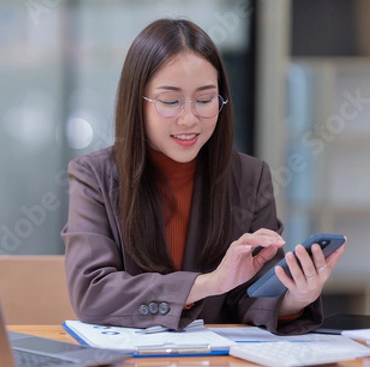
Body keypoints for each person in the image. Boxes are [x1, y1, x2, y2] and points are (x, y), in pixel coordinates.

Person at [61, 18, 346, 334]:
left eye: (205, 100)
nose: (189, 119)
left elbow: (253, 296)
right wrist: (207, 284)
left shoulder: (250, 178)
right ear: (137, 102)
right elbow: (93, 294)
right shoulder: (94, 176)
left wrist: (297, 296)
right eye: (170, 101)